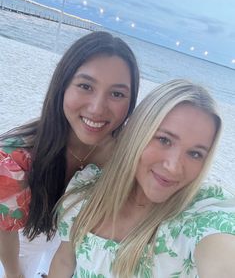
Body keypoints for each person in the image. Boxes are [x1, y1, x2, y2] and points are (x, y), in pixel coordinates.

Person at [48, 79, 235, 278]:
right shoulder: (86, 192)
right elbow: (65, 260)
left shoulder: (201, 214)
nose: (173, 167)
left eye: (195, 154)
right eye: (164, 140)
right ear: (138, 132)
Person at [0, 31, 140, 278]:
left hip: (71, 242)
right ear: (62, 86)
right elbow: (5, 230)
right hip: (22, 240)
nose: (97, 108)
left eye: (117, 94)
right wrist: (15, 274)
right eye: (86, 86)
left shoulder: (128, 158)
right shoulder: (15, 158)